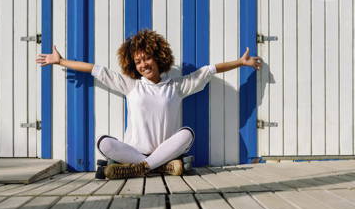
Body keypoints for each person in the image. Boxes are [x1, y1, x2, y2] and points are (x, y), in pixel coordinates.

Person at [36, 29, 261, 179]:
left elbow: (209, 70)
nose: (143, 64)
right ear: (133, 65)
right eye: (138, 61)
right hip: (134, 152)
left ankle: (141, 169)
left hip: (167, 152)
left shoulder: (177, 85)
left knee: (187, 134)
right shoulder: (131, 85)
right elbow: (97, 70)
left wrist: (241, 62)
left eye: (147, 58)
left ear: (158, 57)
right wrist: (61, 61)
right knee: (103, 143)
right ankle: (155, 166)